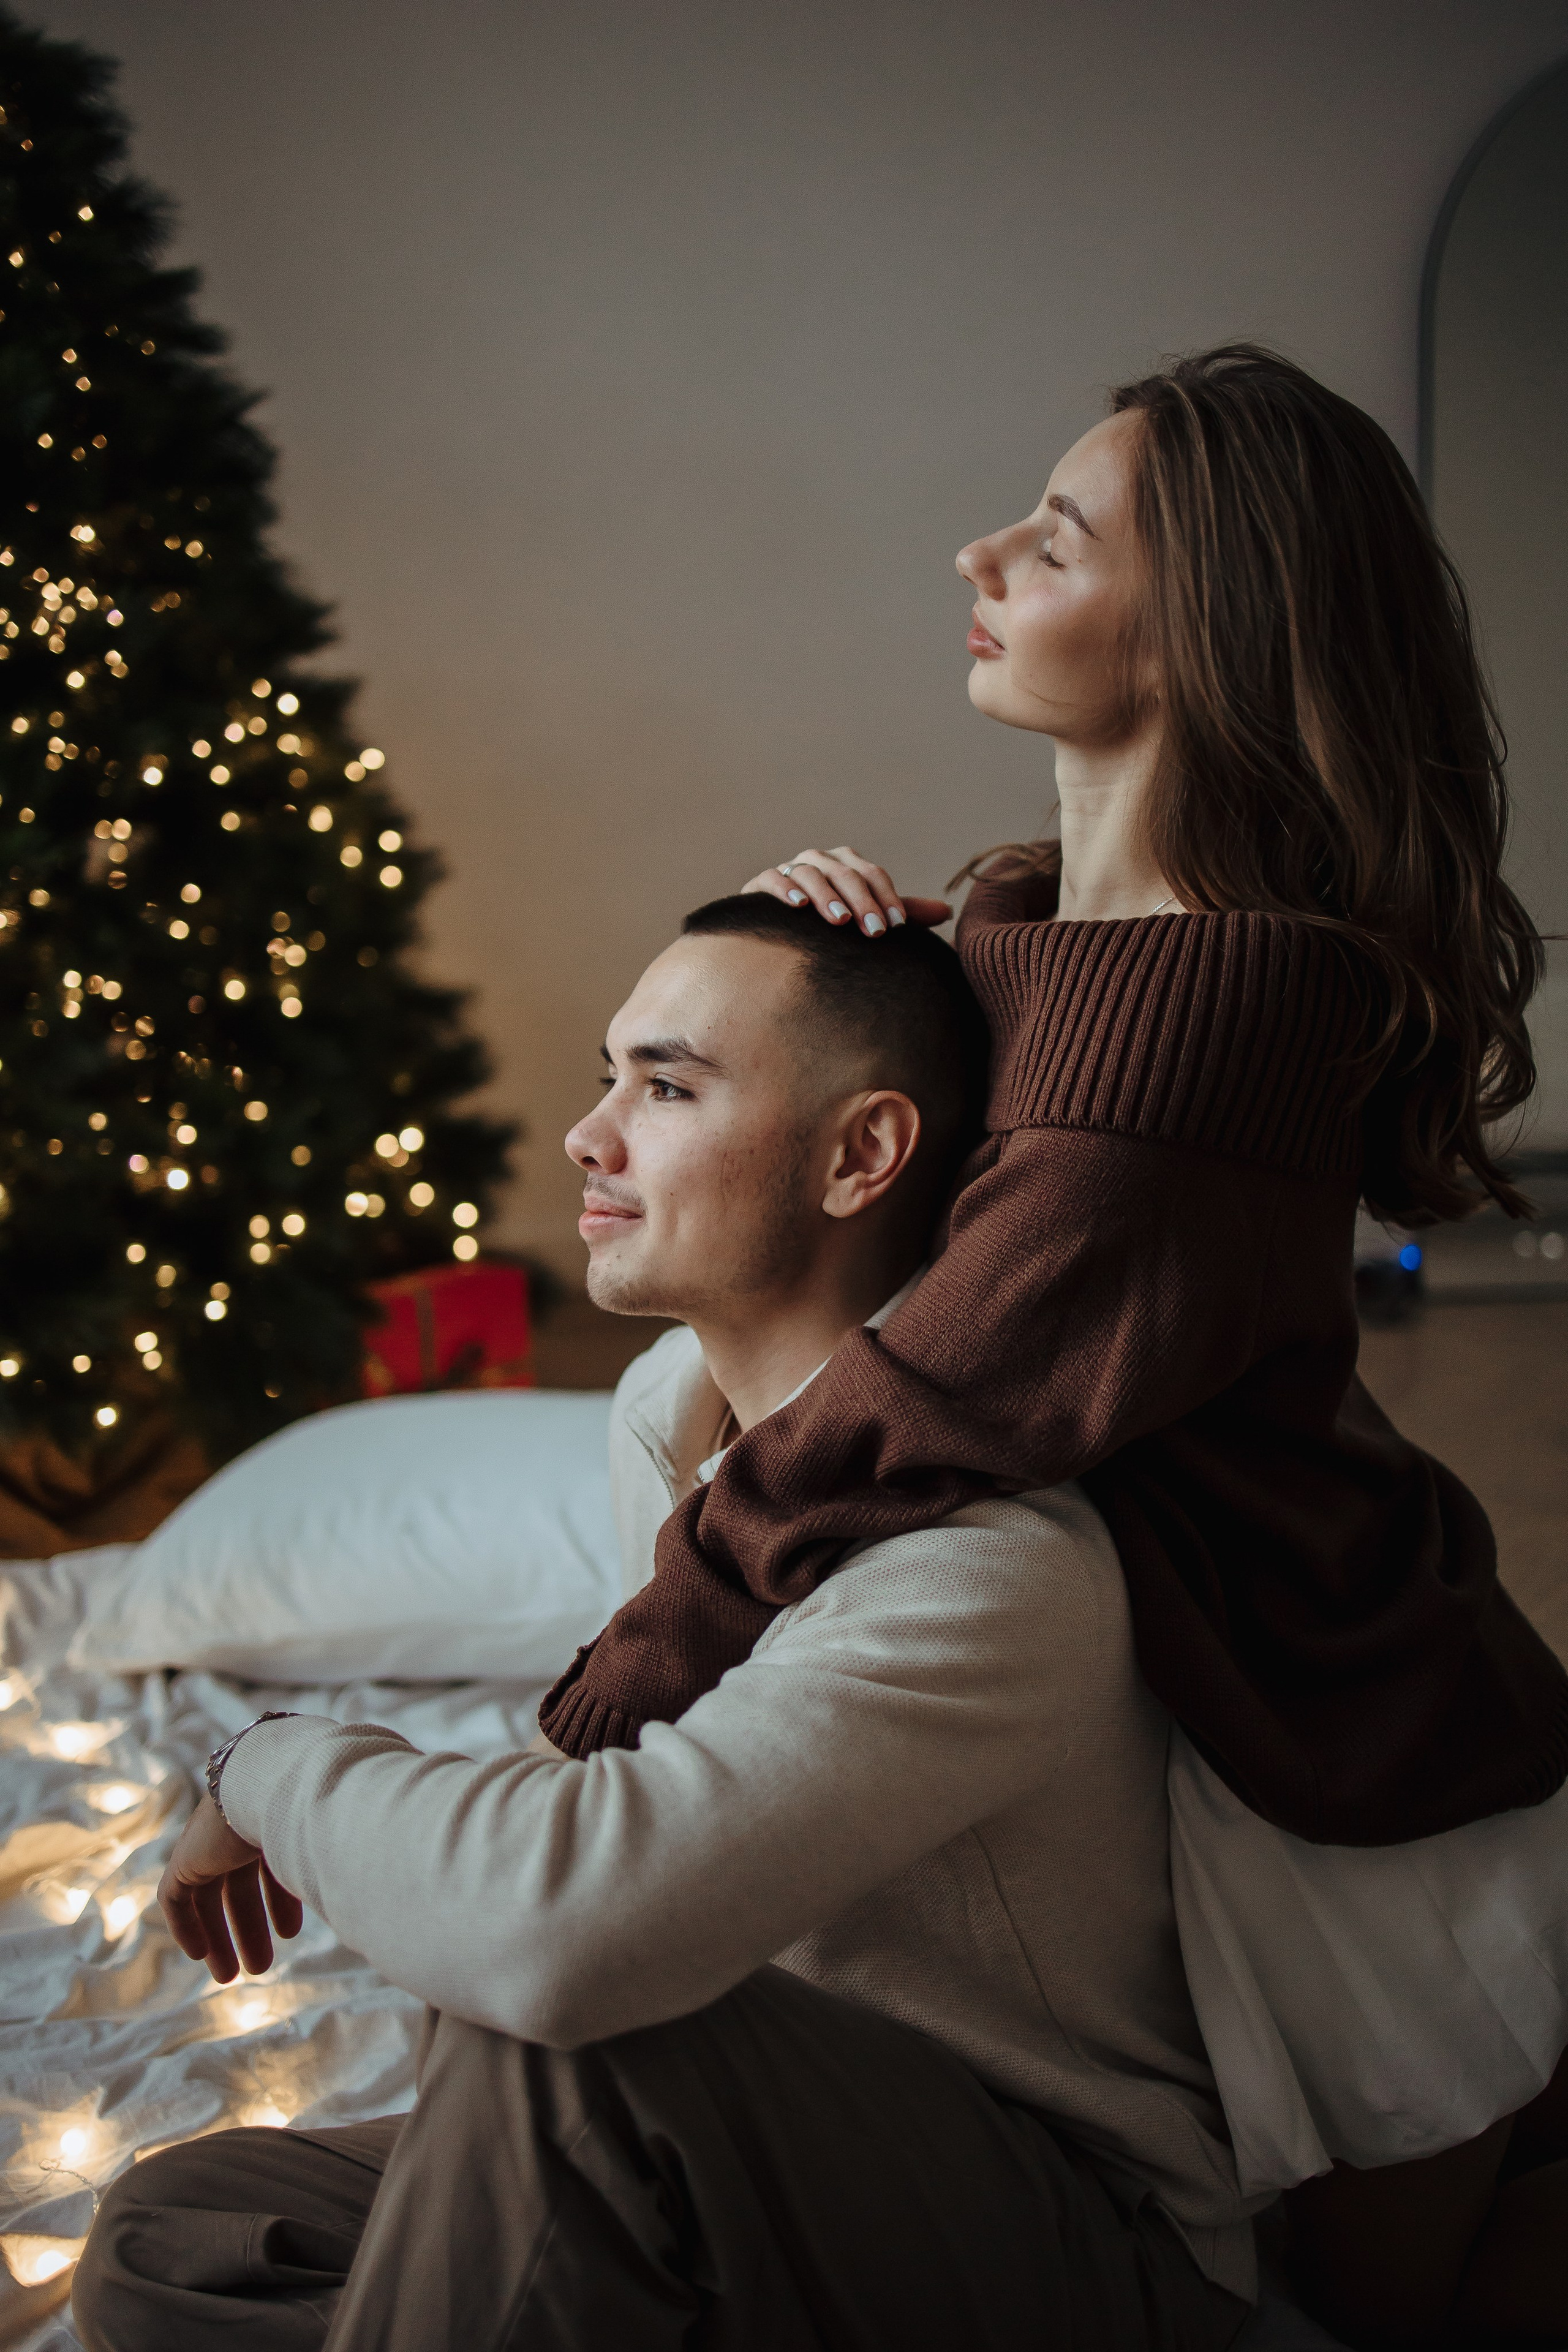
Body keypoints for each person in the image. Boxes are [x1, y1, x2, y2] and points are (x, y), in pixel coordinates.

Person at [534, 345, 1568, 2344]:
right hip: (1216, 1706)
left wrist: (628, 1683)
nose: (977, 552)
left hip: (1356, 1757)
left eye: (1058, 535)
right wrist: (824, 954)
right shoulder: (1018, 917)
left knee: (1393, 2314)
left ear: (1211, 626)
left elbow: (923, 1398)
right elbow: (878, 1167)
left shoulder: (1234, 1005)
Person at [75, 897, 1257, 2352]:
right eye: (607, 1073)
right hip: (728, 2149)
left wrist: (272, 1763)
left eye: (666, 1088)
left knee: (561, 2036)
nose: (587, 1134)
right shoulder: (672, 1418)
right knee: (176, 2227)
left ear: (861, 1157)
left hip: (1060, 2230)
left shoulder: (979, 1568)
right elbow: (799, 1026)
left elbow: (566, 1931)